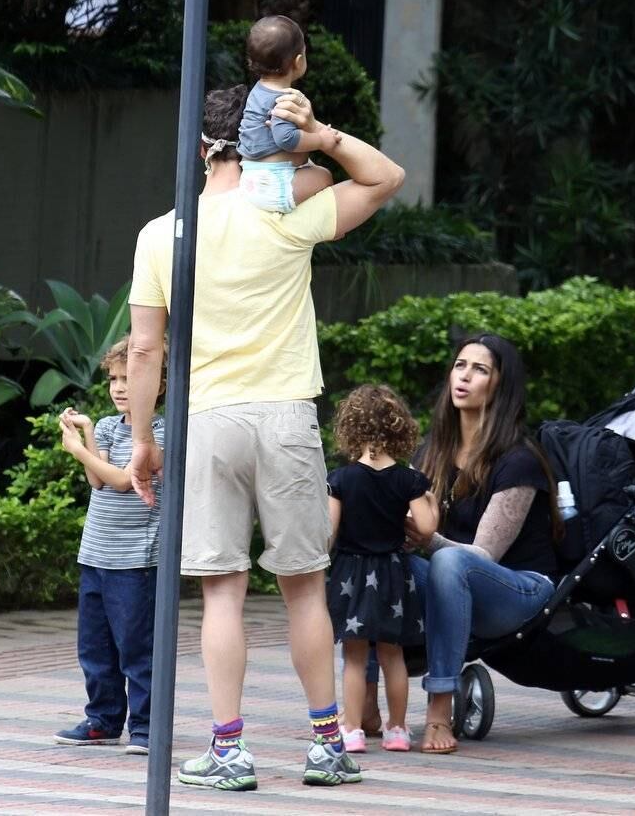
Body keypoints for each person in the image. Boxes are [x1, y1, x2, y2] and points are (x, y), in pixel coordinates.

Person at [125, 85, 404, 790]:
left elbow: (145, 349)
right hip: (284, 416)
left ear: (201, 150)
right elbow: (385, 178)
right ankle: (326, 746)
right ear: (262, 147)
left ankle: (228, 750)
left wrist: (143, 439)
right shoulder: (287, 214)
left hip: (208, 420)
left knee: (222, 591)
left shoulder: (162, 234)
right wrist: (320, 137)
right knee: (304, 590)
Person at [404, 334, 561, 755]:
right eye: (460, 365)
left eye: (479, 369)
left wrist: (426, 538)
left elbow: (482, 556)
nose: (464, 376)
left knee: (451, 562)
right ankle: (364, 705)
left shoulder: (519, 460)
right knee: (374, 561)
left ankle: (440, 711)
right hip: (452, 577)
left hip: (520, 588)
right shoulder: (431, 453)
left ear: (500, 386)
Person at [53, 337, 166, 756]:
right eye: (114, 379)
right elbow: (97, 480)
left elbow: (122, 481)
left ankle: (146, 727)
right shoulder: (106, 426)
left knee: (136, 648)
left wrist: (78, 450)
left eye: (129, 378)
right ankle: (102, 719)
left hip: (136, 560)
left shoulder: (159, 433)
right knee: (94, 646)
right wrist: (86, 434)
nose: (119, 387)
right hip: (96, 554)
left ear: (157, 383)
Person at [326, 384, 438, 754]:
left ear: (350, 428)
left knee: (355, 658)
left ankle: (353, 730)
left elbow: (328, 534)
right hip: (392, 574)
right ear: (399, 428)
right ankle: (399, 730)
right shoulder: (409, 480)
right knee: (393, 655)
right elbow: (425, 529)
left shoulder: (340, 479)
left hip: (351, 575)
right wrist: (431, 502)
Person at [236, 15, 337, 213]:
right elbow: (286, 139)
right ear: (298, 61)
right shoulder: (283, 99)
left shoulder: (258, 90)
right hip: (273, 184)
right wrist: (321, 140)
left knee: (309, 168)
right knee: (324, 176)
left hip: (251, 178)